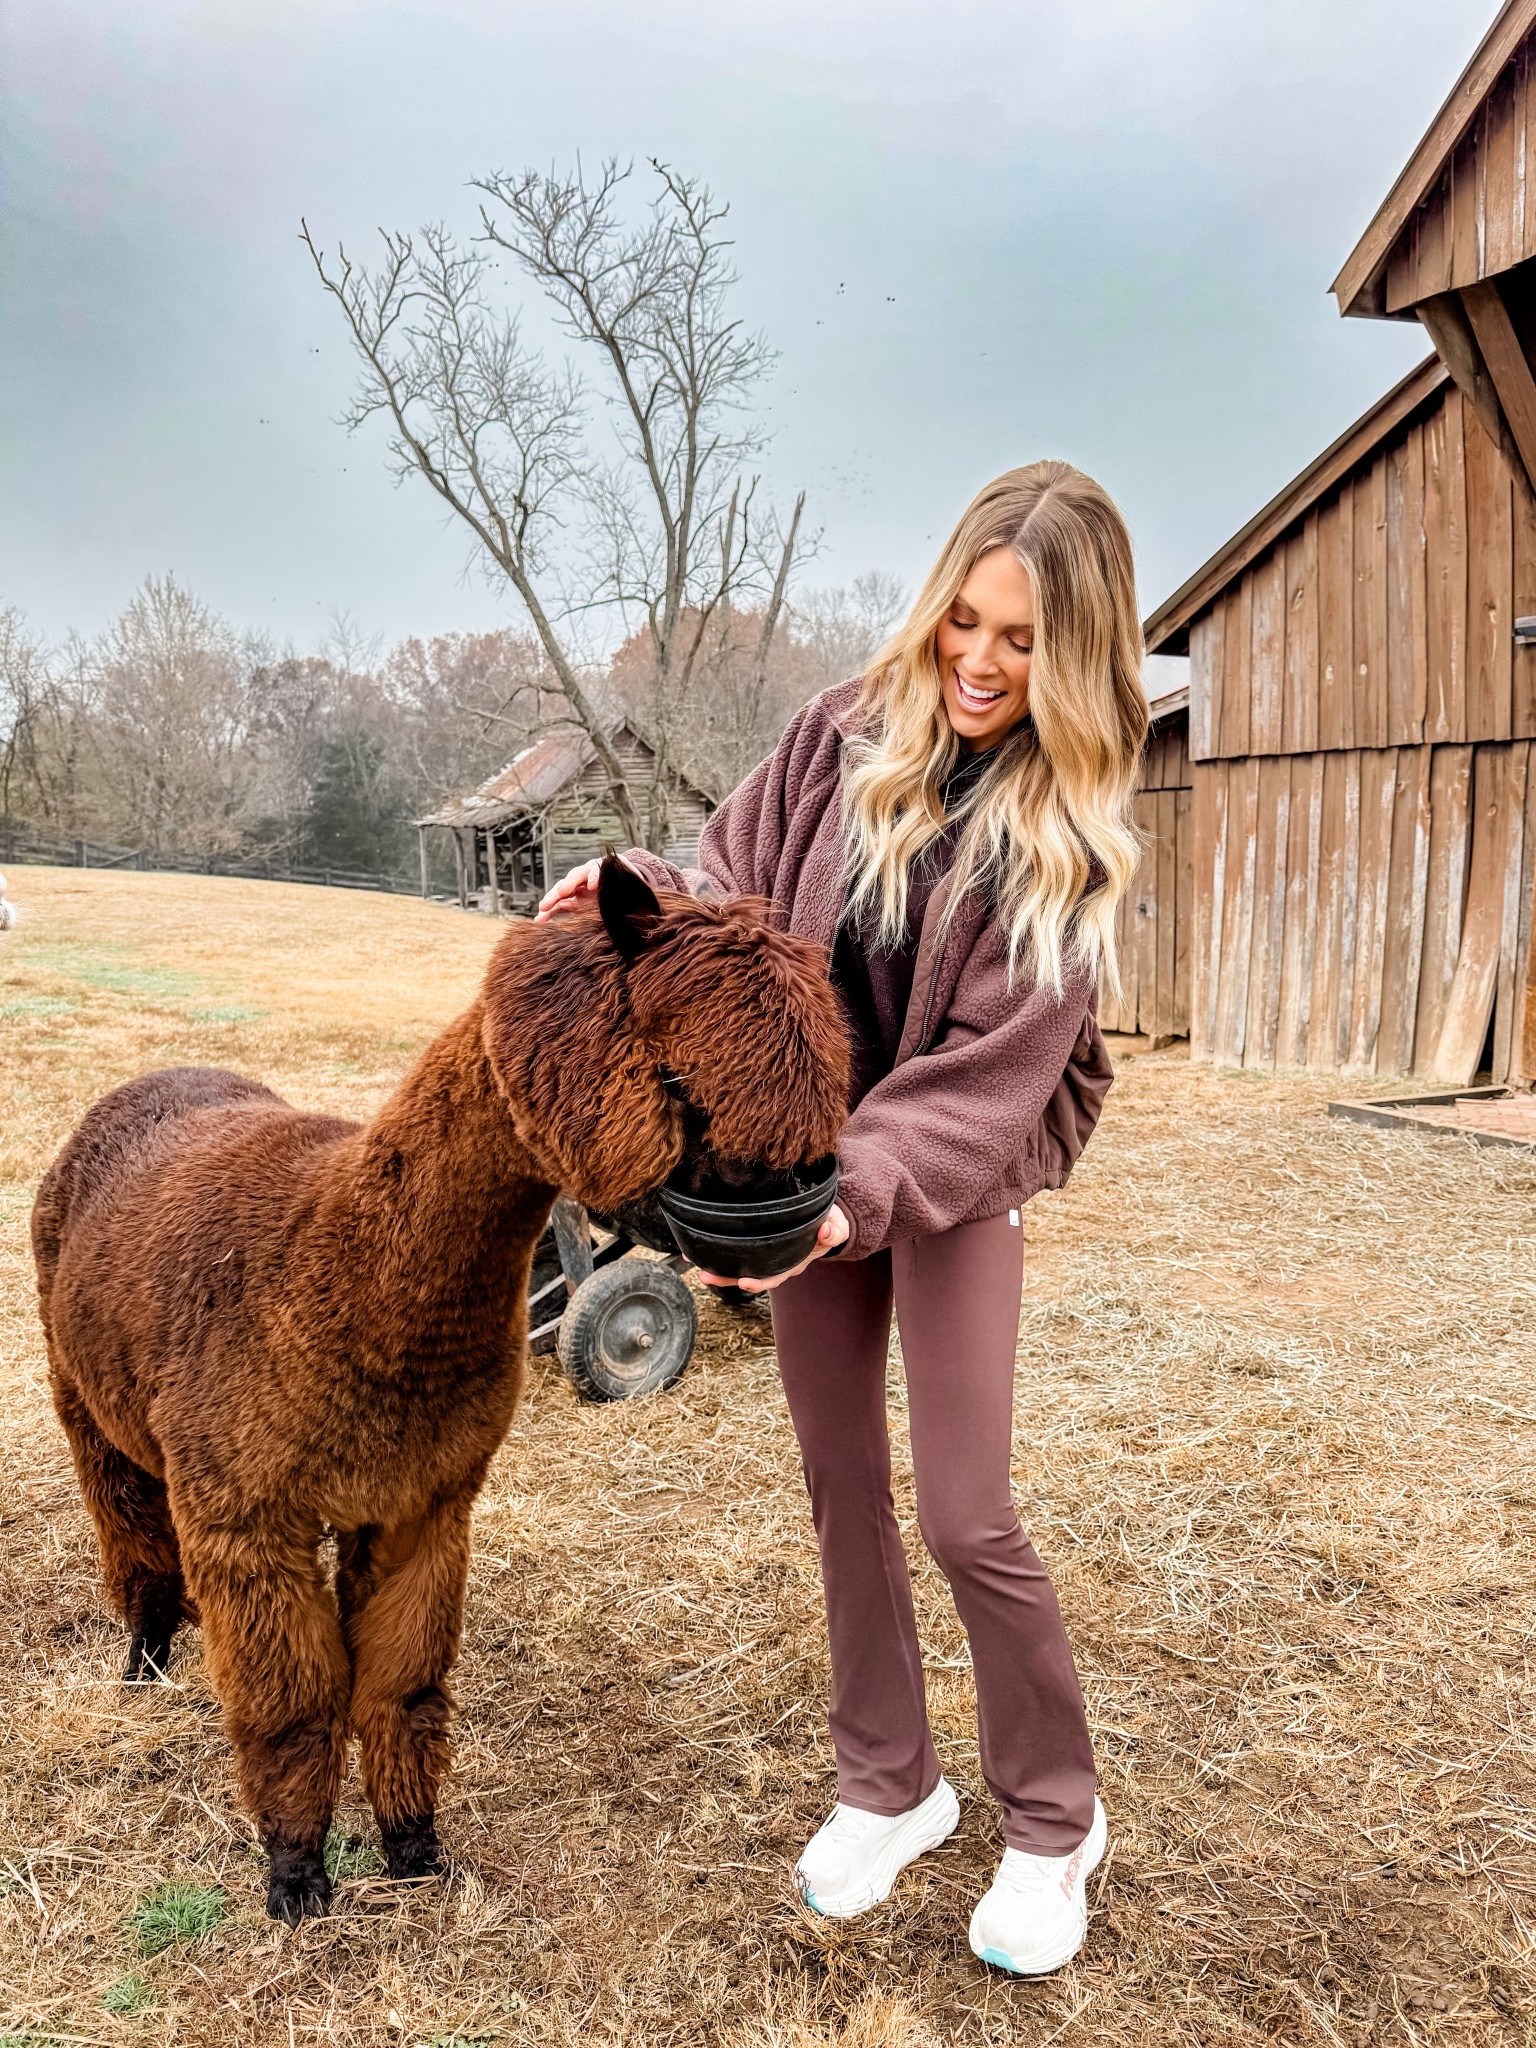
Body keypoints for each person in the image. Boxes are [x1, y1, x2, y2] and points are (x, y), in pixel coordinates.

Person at [538, 462, 1148, 1975]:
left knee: (964, 1510)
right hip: (796, 1158)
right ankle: (891, 1782)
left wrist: (855, 1196)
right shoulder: (838, 728)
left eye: (1026, 642)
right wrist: (633, 889)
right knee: (837, 1481)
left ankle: (1056, 1821)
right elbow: (732, 882)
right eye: (968, 619)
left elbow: (989, 1083)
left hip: (949, 1175)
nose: (983, 662)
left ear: (1077, 663)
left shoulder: (1064, 840)